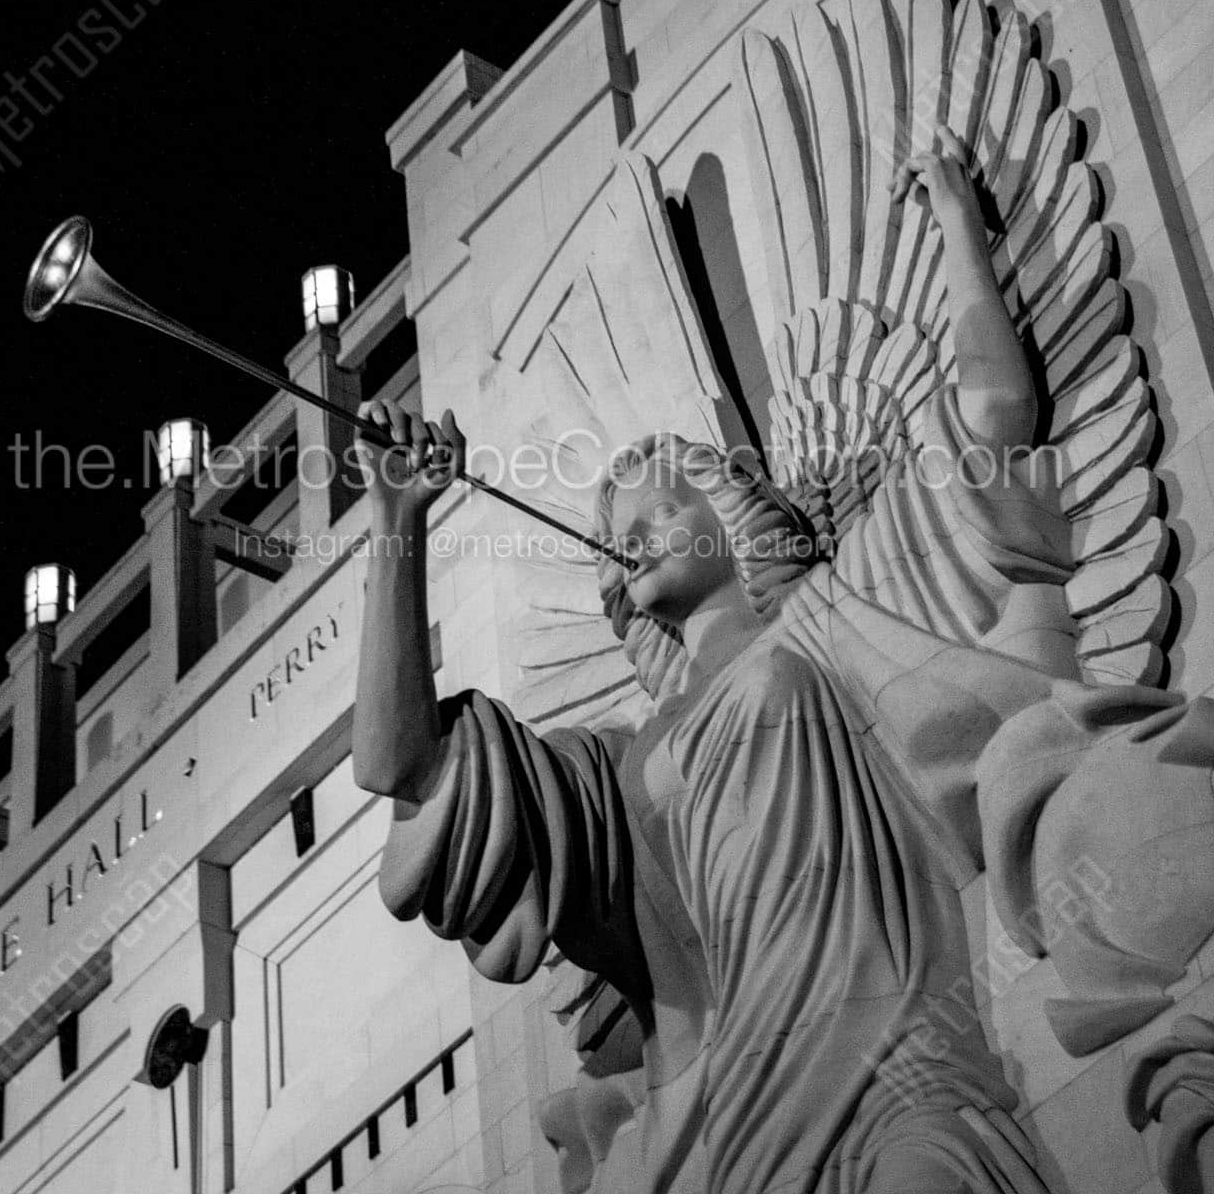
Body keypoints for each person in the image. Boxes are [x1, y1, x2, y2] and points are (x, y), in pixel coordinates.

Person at [348, 130, 1213, 1194]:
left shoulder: (842, 604)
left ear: (733, 512)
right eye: (620, 523)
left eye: (661, 501)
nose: (638, 528)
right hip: (734, 1123)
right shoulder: (617, 772)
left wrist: (955, 226)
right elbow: (405, 771)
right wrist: (395, 529)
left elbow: (990, 419)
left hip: (906, 1067)